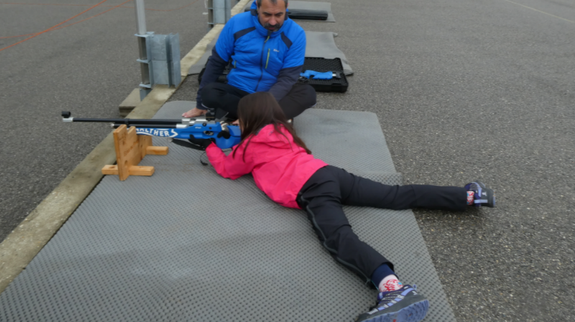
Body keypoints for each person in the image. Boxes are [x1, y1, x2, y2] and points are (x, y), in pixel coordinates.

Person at [191, 92, 496, 322]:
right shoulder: (282, 132)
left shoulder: (249, 145)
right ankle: (467, 196)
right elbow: (260, 143)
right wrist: (237, 132)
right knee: (395, 195)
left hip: (310, 189)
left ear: (250, 120)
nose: (236, 123)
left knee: (339, 238)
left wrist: (210, 144)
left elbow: (229, 168)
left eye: (239, 119)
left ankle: (393, 288)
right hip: (329, 174)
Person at [182, 0, 316, 122]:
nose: (272, 21)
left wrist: (262, 106)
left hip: (272, 96)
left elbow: (288, 78)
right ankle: (267, 119)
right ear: (257, 6)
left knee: (308, 94)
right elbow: (216, 63)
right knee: (209, 93)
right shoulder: (236, 23)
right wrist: (200, 104)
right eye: (266, 14)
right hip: (240, 92)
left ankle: (249, 118)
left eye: (278, 15)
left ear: (286, 8)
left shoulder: (296, 33)